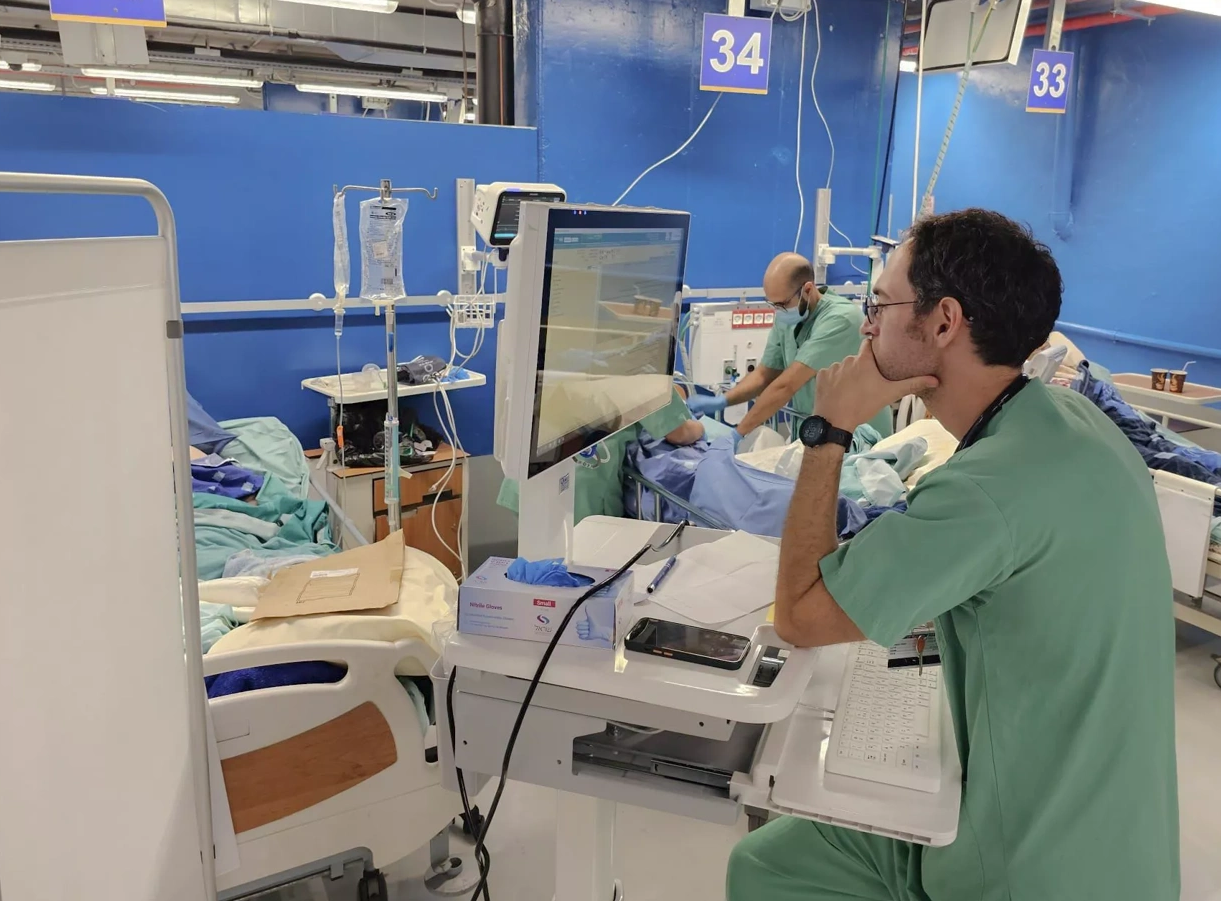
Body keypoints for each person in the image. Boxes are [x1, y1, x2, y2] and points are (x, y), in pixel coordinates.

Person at [727, 210, 1179, 901]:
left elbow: (798, 616)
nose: (867, 324)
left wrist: (830, 429)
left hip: (1025, 868)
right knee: (771, 859)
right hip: (1122, 846)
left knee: (766, 861)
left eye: (879, 304)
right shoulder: (1074, 422)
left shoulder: (984, 491)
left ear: (943, 322)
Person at [687, 253, 892, 439]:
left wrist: (737, 434)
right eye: (772, 304)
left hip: (859, 437)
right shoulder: (787, 317)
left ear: (808, 289)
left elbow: (786, 385)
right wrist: (723, 401)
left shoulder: (841, 320)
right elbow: (764, 375)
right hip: (818, 432)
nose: (778, 310)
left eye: (782, 304)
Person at [497, 387, 704, 521]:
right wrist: (702, 428)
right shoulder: (646, 375)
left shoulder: (581, 351)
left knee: (538, 561)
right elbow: (680, 433)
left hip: (529, 475)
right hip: (580, 492)